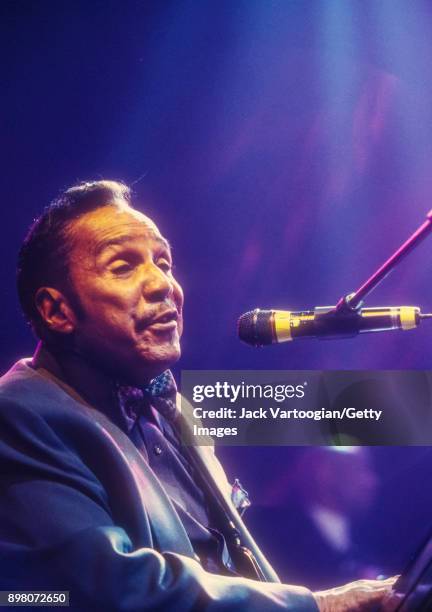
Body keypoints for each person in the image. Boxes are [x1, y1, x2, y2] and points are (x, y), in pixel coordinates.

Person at [0, 180, 394, 610]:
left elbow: (230, 571)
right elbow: (108, 590)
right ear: (57, 311)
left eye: (163, 263)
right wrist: (319, 606)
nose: (162, 284)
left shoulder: (172, 411)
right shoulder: (19, 413)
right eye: (123, 266)